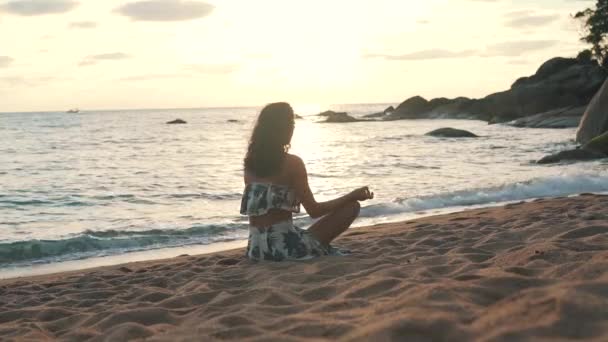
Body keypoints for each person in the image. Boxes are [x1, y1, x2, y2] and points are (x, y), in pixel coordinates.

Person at [240, 102, 374, 261]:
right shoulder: (293, 163)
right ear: (281, 128)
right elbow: (314, 211)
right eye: (291, 123)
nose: (293, 127)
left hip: (256, 250)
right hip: (286, 249)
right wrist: (352, 195)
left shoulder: (249, 164)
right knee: (352, 207)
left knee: (298, 231)